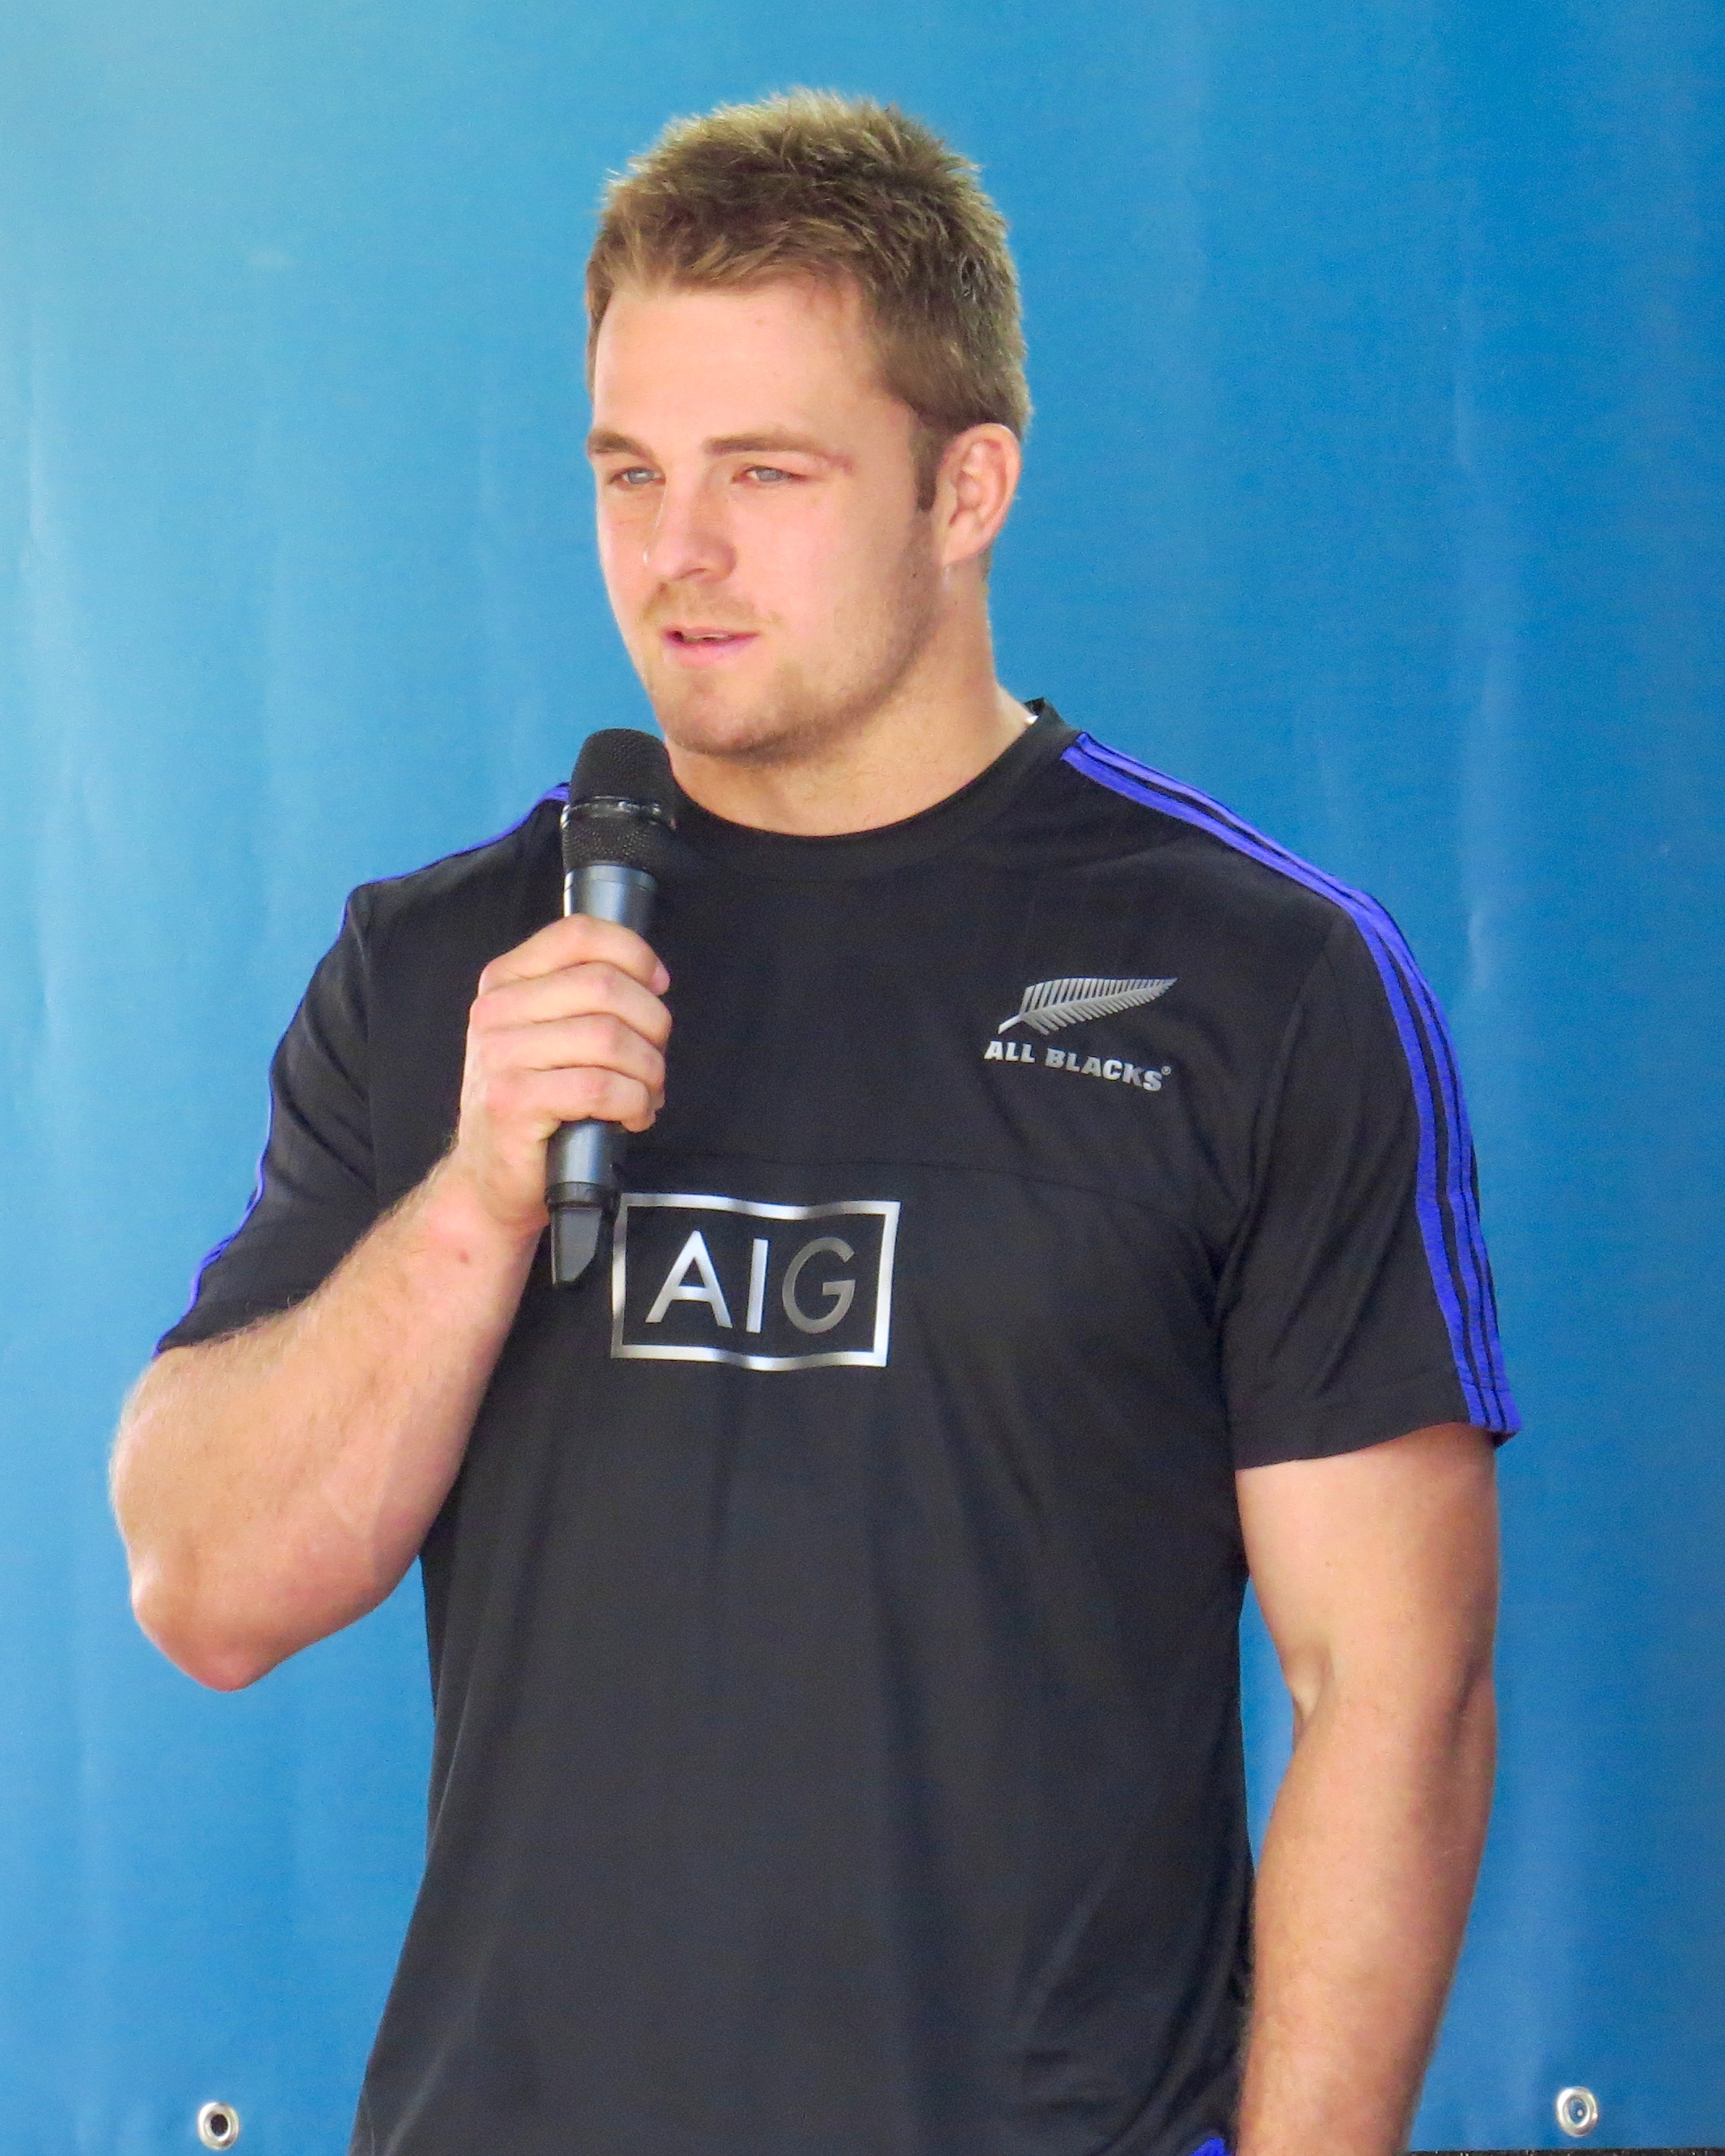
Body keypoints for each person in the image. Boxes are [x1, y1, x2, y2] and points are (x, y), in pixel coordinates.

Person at [112, 91, 1514, 2156]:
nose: (674, 552)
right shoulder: (446, 971)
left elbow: (1390, 1690)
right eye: (629, 472)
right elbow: (207, 1583)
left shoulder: (1256, 982)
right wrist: (479, 1196)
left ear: (966, 488)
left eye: (763, 473)